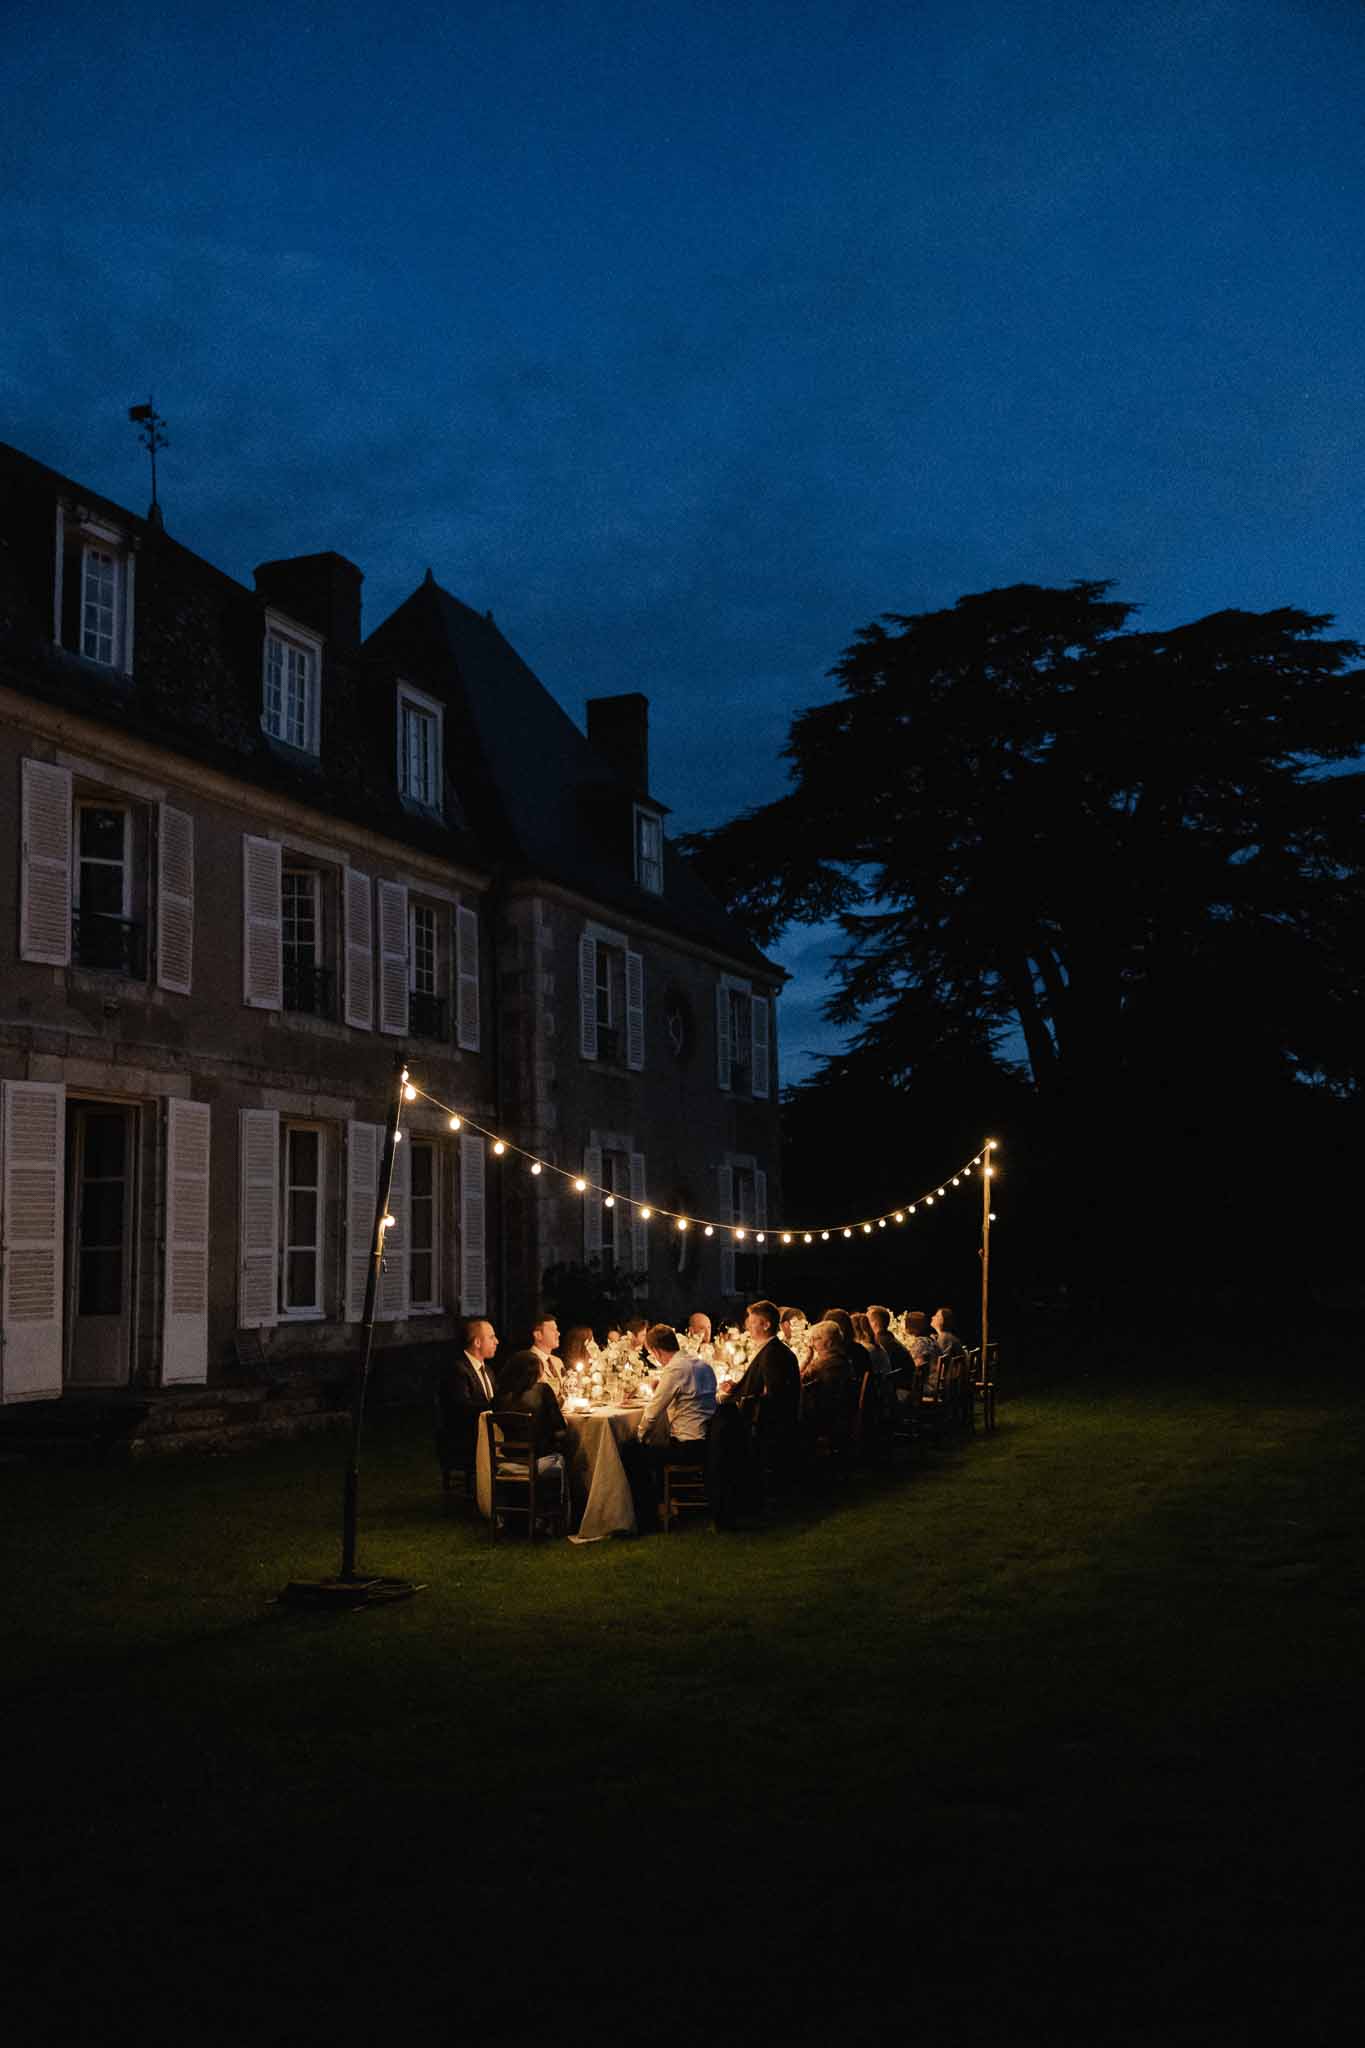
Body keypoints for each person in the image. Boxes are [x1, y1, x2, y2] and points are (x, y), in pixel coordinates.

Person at [625, 1323, 717, 1532]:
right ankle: (668, 1503)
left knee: (632, 1451)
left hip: (687, 1447)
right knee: (650, 1449)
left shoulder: (675, 1369)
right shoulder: (701, 1365)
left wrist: (639, 1435)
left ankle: (647, 1516)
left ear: (656, 1351)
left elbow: (653, 1412)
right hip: (708, 1441)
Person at [491, 1349, 570, 1525]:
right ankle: (556, 1516)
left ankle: (516, 1513)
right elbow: (559, 1427)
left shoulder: (499, 1397)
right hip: (538, 1461)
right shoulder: (543, 1390)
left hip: (507, 1460)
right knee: (565, 1453)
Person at [433, 1315, 500, 1492]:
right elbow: (462, 1409)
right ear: (477, 1342)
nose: (497, 1341)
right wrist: (496, 1407)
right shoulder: (458, 1371)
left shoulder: (487, 1371)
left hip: (485, 1433)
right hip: (464, 1440)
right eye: (491, 1337)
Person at [800, 1318, 855, 1450]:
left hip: (824, 1417)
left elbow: (796, 1382)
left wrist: (806, 1359)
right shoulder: (841, 1359)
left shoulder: (824, 1365)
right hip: (838, 1412)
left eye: (817, 1338)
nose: (812, 1343)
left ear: (829, 1343)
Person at [867, 1303, 911, 1376]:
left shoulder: (880, 1343)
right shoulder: (888, 1338)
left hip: (899, 1384)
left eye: (866, 1320)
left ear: (874, 1323)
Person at [530, 1312, 566, 1393]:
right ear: (538, 1335)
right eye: (553, 1330)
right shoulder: (529, 1362)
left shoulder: (558, 1361)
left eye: (557, 1330)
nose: (558, 1333)